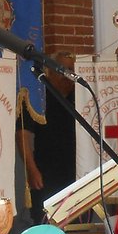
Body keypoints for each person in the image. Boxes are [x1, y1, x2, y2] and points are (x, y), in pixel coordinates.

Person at [20, 54, 78, 224]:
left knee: (77, 225)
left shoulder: (81, 96)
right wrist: (31, 169)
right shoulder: (37, 98)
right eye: (62, 70)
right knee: (45, 223)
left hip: (76, 174)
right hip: (45, 175)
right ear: (49, 73)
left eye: (71, 70)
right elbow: (23, 135)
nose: (67, 74)